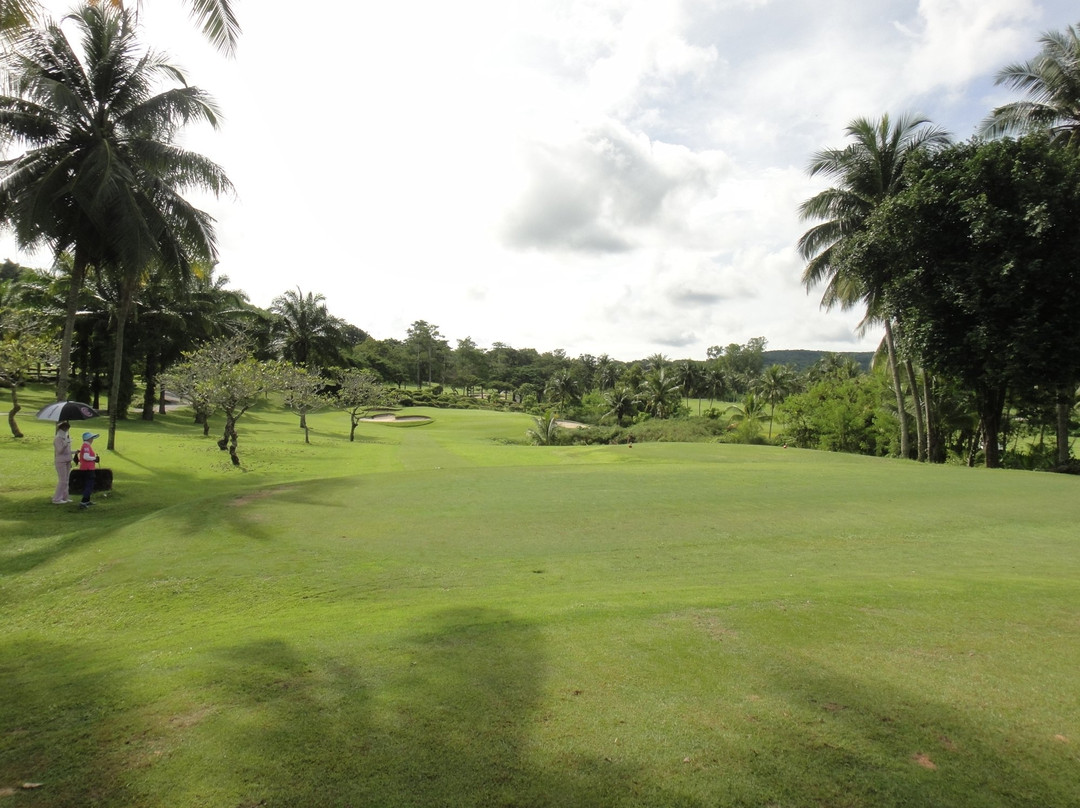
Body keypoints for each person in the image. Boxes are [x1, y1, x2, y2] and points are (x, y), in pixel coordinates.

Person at [77, 431, 101, 509]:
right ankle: (83, 502)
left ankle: (87, 500)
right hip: (87, 468)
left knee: (90, 484)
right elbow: (86, 457)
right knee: (89, 485)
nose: (92, 439)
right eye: (91, 438)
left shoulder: (86, 446)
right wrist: (94, 458)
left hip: (88, 468)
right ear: (89, 439)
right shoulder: (86, 446)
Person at [51, 421, 73, 504]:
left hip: (67, 460)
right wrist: (65, 444)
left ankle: (65, 497)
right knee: (62, 480)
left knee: (66, 480)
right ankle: (57, 499)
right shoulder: (57, 439)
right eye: (65, 429)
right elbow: (59, 451)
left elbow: (68, 451)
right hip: (61, 461)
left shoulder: (65, 438)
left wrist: (75, 452)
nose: (66, 430)